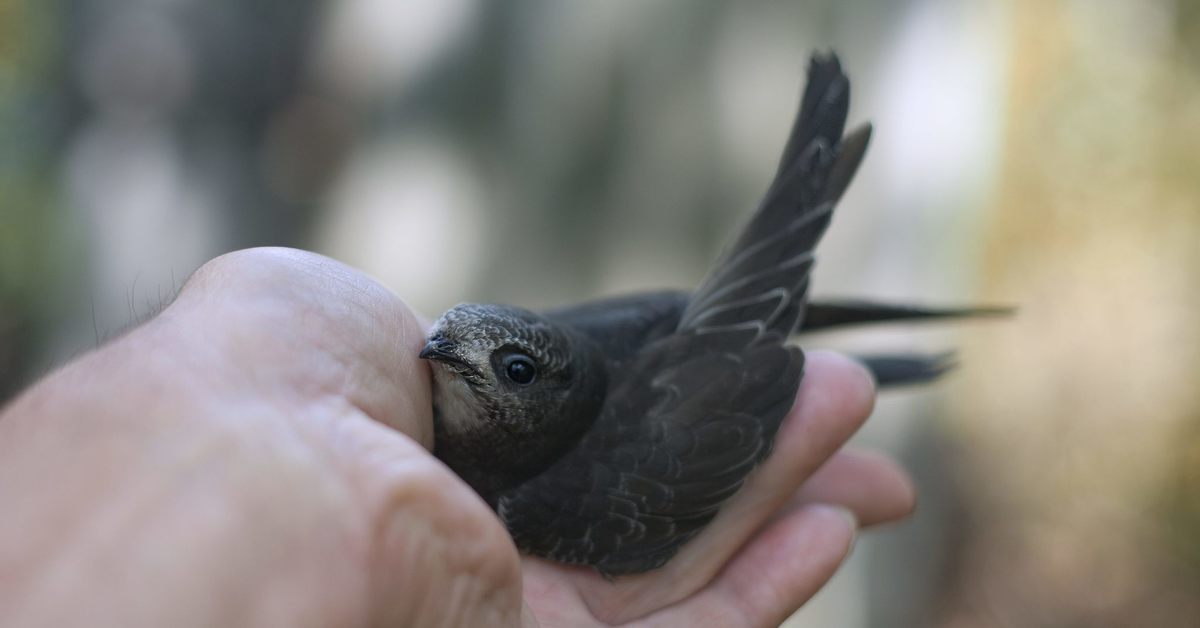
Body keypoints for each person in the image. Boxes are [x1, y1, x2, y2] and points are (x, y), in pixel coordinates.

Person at [0, 248, 915, 627]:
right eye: (449, 336)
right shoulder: (451, 420)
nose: (439, 350)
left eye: (507, 370)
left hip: (700, 354)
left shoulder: (554, 500)